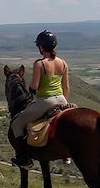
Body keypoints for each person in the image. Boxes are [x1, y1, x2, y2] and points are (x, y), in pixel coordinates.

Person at [9, 30, 70, 169]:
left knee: (17, 124)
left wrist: (32, 95)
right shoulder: (63, 63)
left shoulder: (40, 64)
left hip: (46, 101)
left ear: (41, 47)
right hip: (62, 100)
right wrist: (63, 103)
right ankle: (66, 155)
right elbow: (66, 87)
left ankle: (25, 159)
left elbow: (34, 87)